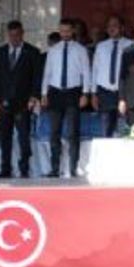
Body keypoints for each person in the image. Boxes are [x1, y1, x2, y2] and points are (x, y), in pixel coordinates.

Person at [0, 20, 42, 178]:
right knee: (4, 138)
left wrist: (34, 97)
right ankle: (5, 169)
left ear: (22, 34)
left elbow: (37, 77)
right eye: (11, 35)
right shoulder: (0, 52)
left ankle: (24, 169)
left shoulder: (32, 52)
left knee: (24, 138)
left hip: (23, 103)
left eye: (17, 35)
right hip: (3, 102)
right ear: (7, 35)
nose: (14, 38)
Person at [41, 18, 92, 178]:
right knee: (54, 132)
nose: (65, 34)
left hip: (73, 92)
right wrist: (44, 93)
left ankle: (73, 168)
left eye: (68, 31)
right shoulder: (53, 50)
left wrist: (85, 93)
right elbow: (47, 73)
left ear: (73, 31)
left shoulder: (81, 50)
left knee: (72, 133)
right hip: (55, 92)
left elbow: (86, 73)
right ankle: (55, 168)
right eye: (62, 31)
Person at [91, 15, 127, 138]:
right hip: (104, 92)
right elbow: (95, 70)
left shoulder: (130, 45)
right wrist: (94, 94)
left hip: (124, 92)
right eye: (109, 26)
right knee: (106, 130)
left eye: (115, 25)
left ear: (122, 28)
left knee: (124, 129)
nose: (112, 28)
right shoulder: (101, 46)